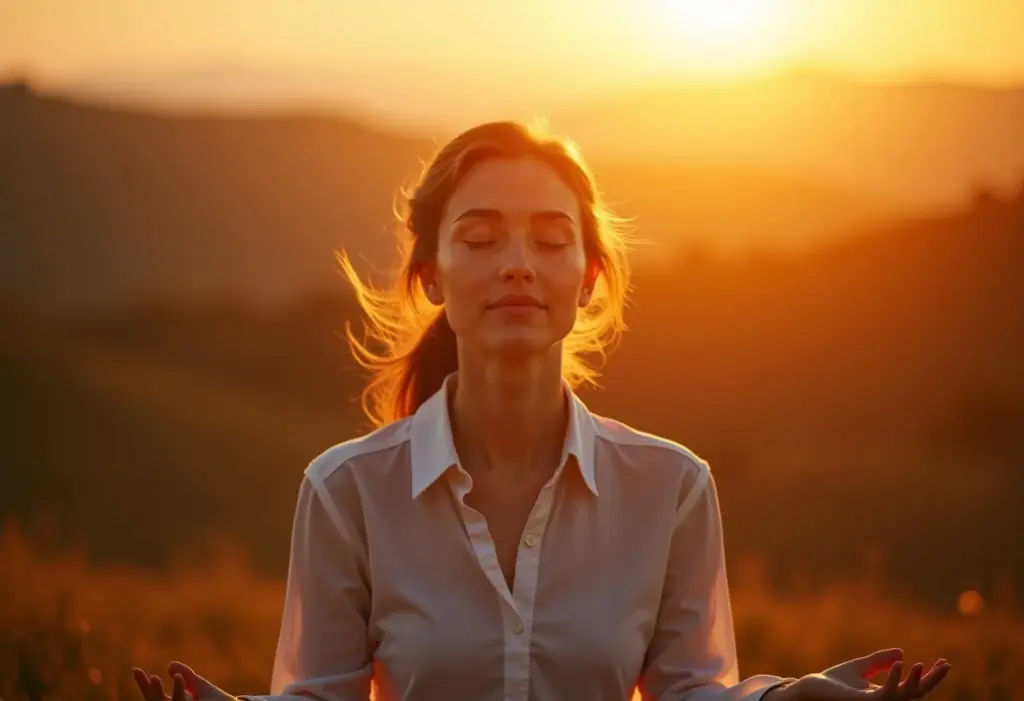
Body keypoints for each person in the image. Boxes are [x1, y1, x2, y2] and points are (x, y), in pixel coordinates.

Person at [132, 121, 951, 701]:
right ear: (431, 274)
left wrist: (780, 700)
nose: (519, 264)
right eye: (481, 238)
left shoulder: (671, 487)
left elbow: (692, 689)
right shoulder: (348, 492)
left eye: (551, 241)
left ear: (589, 276)